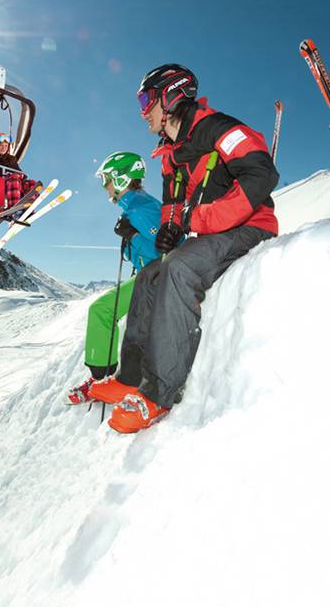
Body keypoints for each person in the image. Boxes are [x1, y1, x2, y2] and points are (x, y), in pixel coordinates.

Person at [104, 63, 279, 434]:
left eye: (146, 101)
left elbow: (262, 174)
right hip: (215, 234)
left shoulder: (218, 129)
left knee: (178, 268)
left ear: (170, 96)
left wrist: (197, 219)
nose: (142, 111)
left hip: (252, 228)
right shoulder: (171, 153)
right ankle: (130, 376)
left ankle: (159, 392)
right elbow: (173, 202)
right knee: (150, 275)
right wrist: (170, 228)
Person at [66, 152, 161, 405]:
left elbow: (164, 249)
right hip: (149, 273)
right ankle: (103, 377)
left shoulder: (141, 208)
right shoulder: (135, 205)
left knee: (102, 310)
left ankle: (101, 379)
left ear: (121, 179)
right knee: (103, 309)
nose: (104, 186)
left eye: (107, 179)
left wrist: (132, 235)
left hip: (156, 275)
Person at [0, 132, 37, 211]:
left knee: (31, 183)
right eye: (0, 145)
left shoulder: (11, 159)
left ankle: (28, 209)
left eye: (5, 146)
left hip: (14, 182)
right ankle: (14, 209)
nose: (3, 148)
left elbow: (19, 171)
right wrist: (6, 175)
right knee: (13, 178)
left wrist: (21, 175)